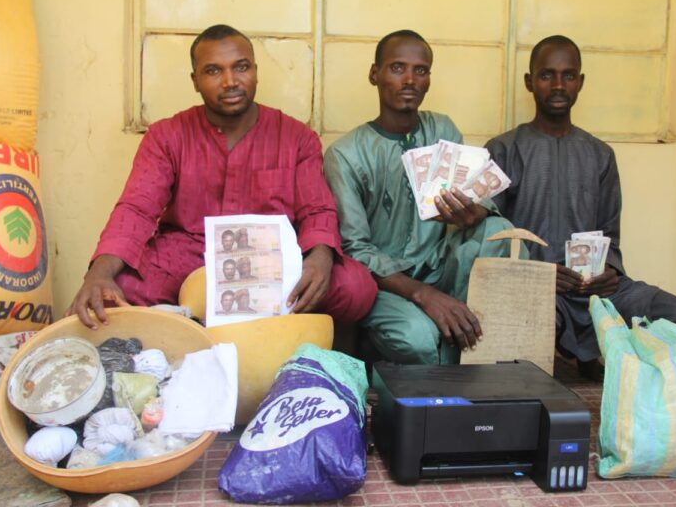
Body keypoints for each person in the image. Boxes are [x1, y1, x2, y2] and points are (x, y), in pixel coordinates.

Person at [67, 24, 377, 329]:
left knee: (356, 287)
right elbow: (137, 207)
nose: (230, 81)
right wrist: (99, 273)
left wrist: (319, 259)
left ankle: (241, 322)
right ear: (195, 80)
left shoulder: (297, 137)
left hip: (271, 260)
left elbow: (317, 209)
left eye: (240, 67)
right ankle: (194, 329)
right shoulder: (167, 135)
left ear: (255, 71)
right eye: (214, 71)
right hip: (188, 255)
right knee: (112, 292)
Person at [485, 35, 676, 380]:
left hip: (595, 292)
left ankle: (612, 358)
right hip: (536, 292)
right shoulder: (503, 150)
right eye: (547, 75)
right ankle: (581, 354)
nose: (558, 85)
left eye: (568, 76)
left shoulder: (600, 154)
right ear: (529, 82)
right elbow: (492, 239)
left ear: (580, 82)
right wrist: (539, 275)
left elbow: (610, 236)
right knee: (526, 329)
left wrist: (611, 274)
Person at [324, 29, 523, 365]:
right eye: (397, 68)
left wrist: (476, 212)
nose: (410, 80)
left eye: (421, 70)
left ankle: (462, 329)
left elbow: (477, 196)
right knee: (419, 340)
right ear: (375, 74)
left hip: (443, 270)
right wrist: (422, 294)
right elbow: (355, 249)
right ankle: (420, 345)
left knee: (497, 228)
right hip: (387, 285)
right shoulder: (346, 155)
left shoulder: (442, 130)